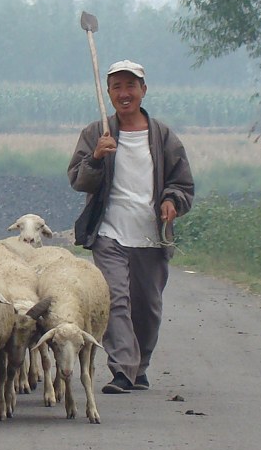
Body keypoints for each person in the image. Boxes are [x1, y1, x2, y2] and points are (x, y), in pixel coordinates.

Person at [67, 59, 194, 394]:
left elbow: (182, 184)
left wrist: (172, 202)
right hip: (109, 232)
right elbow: (78, 180)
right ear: (108, 92)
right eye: (116, 87)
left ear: (143, 90)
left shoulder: (164, 137)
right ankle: (122, 368)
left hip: (151, 237)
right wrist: (96, 157)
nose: (124, 94)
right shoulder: (97, 134)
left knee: (147, 307)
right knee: (116, 299)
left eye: (130, 86)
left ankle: (140, 366)